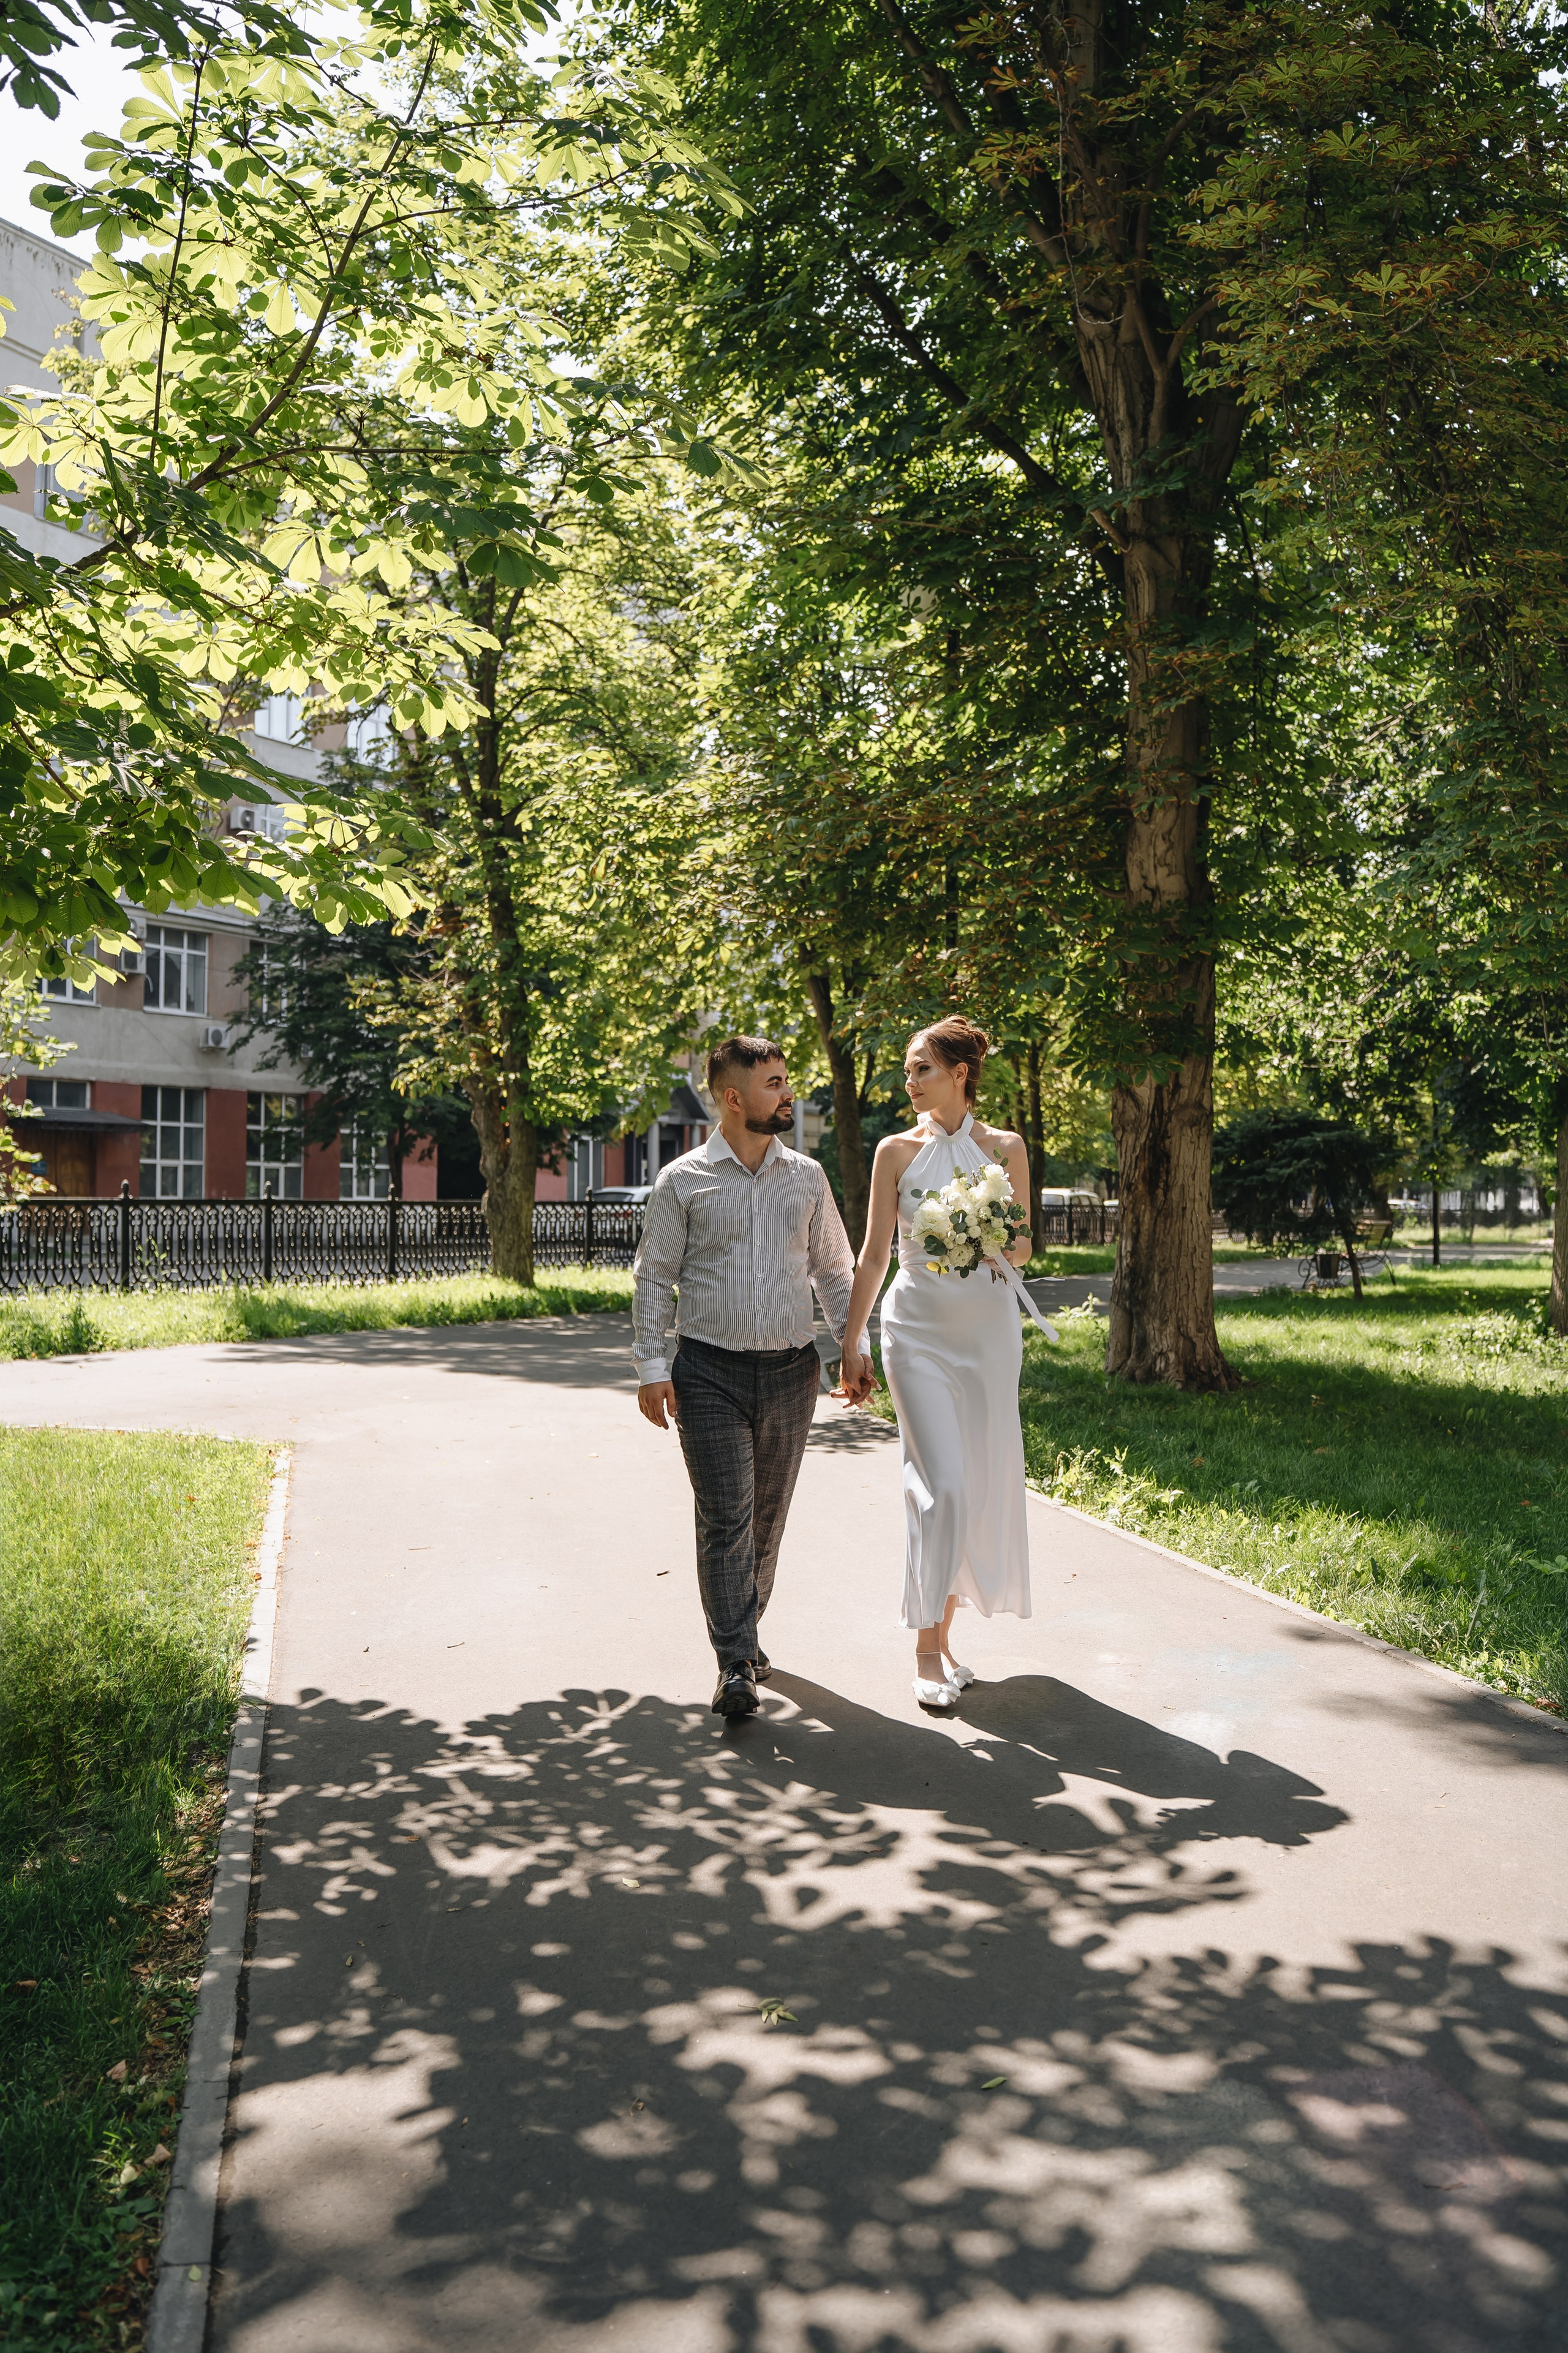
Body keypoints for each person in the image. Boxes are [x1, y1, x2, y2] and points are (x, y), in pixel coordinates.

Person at [634, 1036, 857, 1719]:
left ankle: (745, 1634)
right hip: (707, 1373)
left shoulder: (808, 1178)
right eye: (775, 1083)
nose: (788, 1094)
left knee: (766, 1518)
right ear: (734, 1098)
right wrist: (649, 1366)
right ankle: (735, 1659)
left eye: (786, 1081)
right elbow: (654, 1278)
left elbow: (834, 1271)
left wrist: (853, 1346)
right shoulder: (682, 1181)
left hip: (793, 1371)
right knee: (725, 1518)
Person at [839, 1016, 1048, 1711]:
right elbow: (873, 1255)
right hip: (917, 1332)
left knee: (978, 1485)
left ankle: (946, 1638)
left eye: (922, 1067)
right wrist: (851, 1339)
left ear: (960, 1073)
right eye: (908, 1068)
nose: (910, 1079)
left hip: (988, 1335)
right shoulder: (894, 1152)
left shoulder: (1007, 1147)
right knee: (943, 1487)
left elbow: (1021, 1250)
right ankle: (925, 1651)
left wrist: (989, 1229)